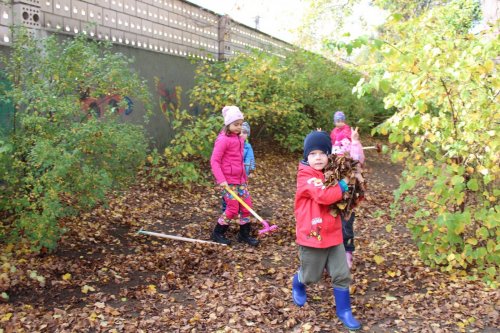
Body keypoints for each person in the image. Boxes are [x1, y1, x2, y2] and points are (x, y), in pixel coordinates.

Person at [292, 130, 361, 331]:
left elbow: (351, 162)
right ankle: (298, 282)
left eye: (322, 153)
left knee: (341, 274)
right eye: (312, 154)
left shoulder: (333, 171)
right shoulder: (305, 177)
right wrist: (342, 185)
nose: (318, 157)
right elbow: (323, 195)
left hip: (334, 234)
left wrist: (353, 159)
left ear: (328, 155)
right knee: (311, 275)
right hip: (312, 236)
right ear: (306, 156)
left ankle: (344, 311)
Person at [210, 106, 259, 247]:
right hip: (228, 182)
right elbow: (214, 161)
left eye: (240, 124)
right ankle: (217, 233)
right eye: (235, 125)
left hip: (240, 180)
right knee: (232, 209)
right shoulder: (223, 140)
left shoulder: (239, 139)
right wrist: (221, 180)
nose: (238, 128)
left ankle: (244, 235)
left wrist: (244, 174)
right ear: (228, 124)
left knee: (246, 207)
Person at [220, 121, 256, 212]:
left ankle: (240, 212)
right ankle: (225, 212)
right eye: (241, 132)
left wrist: (250, 169)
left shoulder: (247, 147)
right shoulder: (231, 143)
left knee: (241, 195)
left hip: (242, 176)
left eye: (245, 133)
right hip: (230, 177)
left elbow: (250, 158)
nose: (242, 134)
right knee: (229, 196)